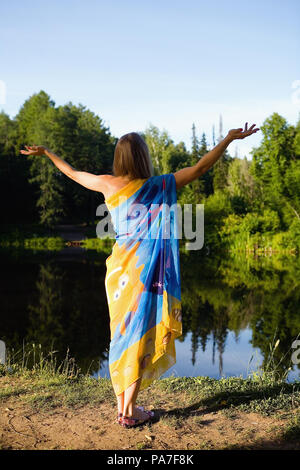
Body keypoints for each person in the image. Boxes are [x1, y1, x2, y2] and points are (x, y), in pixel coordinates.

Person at [20, 122, 259, 428]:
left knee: (122, 336)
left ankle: (125, 404)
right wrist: (228, 139)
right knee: (139, 336)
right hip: (146, 276)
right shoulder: (161, 185)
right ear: (144, 157)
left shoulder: (108, 184)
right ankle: (129, 410)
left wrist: (48, 153)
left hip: (119, 274)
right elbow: (200, 168)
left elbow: (74, 174)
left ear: (118, 159)